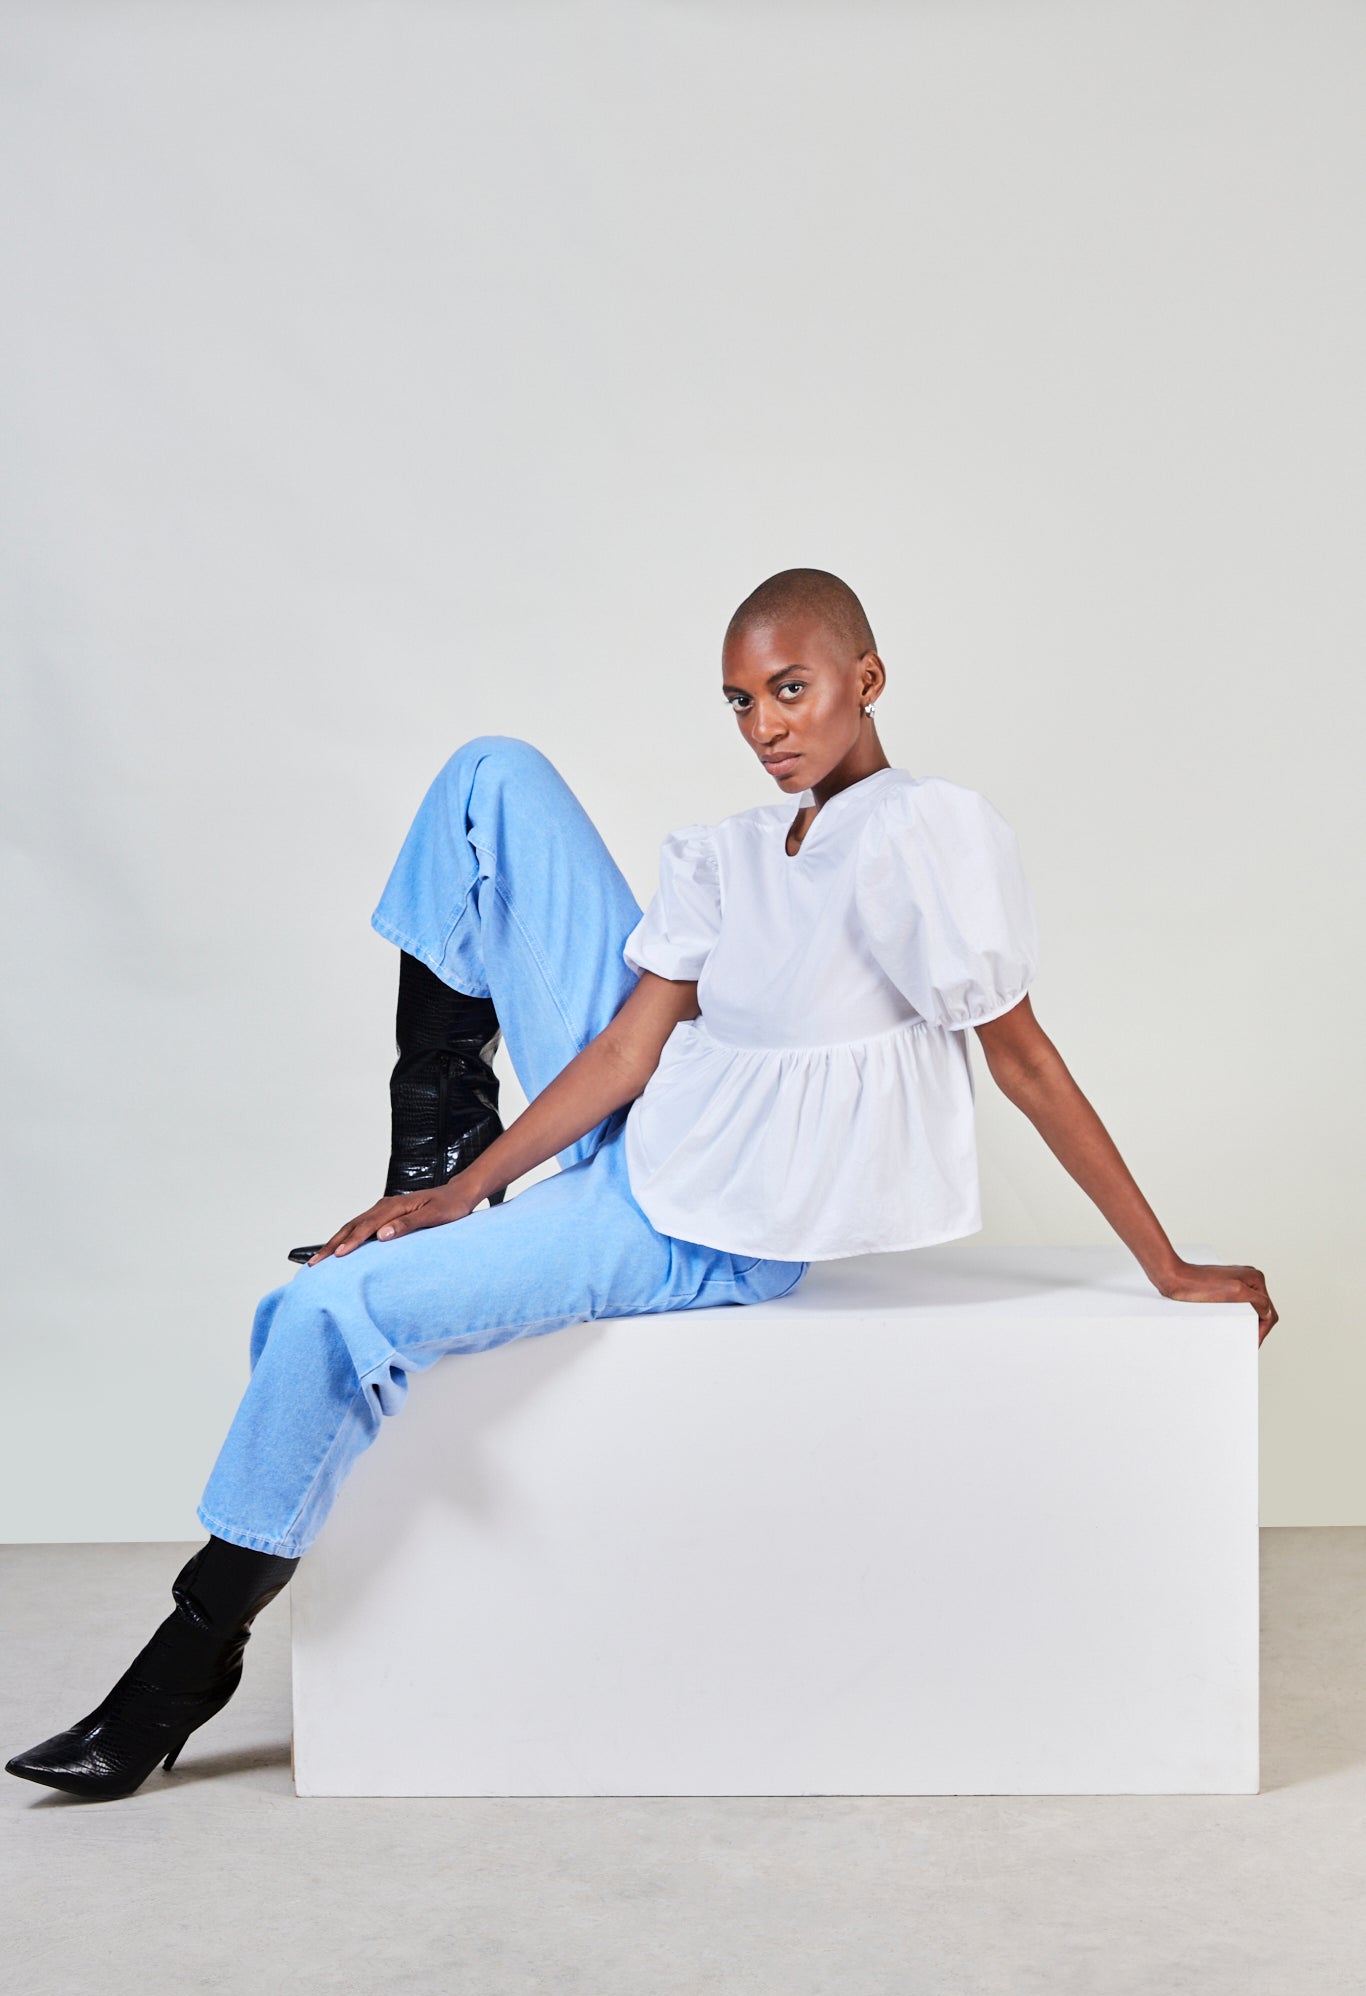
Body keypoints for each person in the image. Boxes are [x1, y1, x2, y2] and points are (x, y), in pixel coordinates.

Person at [6, 567, 1278, 1802]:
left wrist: (1164, 1266)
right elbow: (627, 1050)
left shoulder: (925, 832)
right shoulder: (735, 850)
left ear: (867, 677)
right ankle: (434, 1136)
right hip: (652, 1121)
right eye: (740, 702)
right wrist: (461, 1189)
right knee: (491, 774)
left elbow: (1024, 1059)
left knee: (329, 1311)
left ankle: (184, 1665)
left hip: (698, 1225)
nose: (764, 727)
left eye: (790, 690)